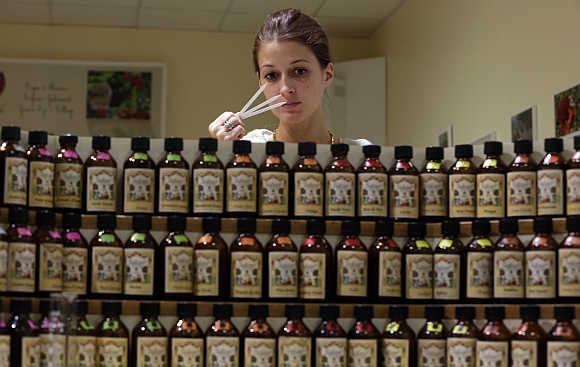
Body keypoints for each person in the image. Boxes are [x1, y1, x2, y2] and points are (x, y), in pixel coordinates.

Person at [208, 8, 371, 145]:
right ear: (260, 81)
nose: (286, 89)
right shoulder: (249, 149)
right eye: (271, 75)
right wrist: (223, 158)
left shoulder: (362, 157)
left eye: (300, 71)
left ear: (327, 75)